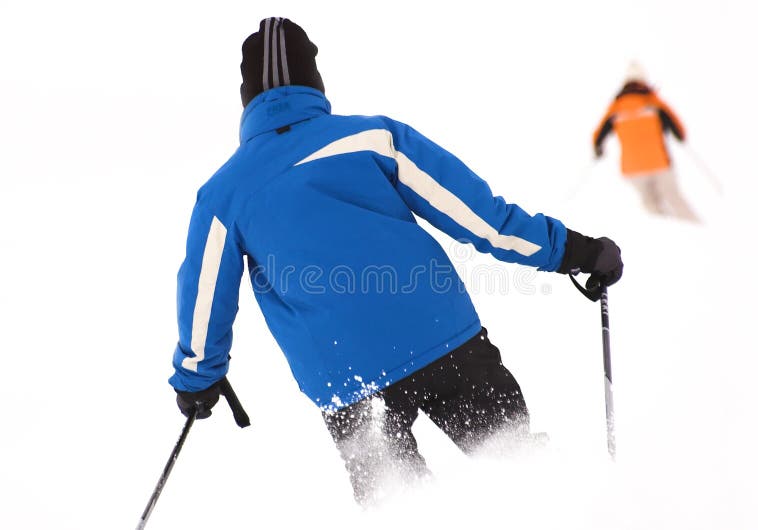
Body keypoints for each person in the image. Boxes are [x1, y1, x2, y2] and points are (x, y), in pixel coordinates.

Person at [169, 17, 624, 505]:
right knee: (529, 482)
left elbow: (205, 298)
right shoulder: (373, 138)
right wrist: (574, 252)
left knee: (403, 510)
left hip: (348, 381)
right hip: (443, 342)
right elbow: (481, 219)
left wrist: (199, 378)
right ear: (314, 80)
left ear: (246, 97)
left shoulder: (224, 194)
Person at [593, 62, 700, 222]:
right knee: (675, 200)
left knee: (651, 206)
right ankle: (695, 229)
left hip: (632, 167)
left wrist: (598, 150)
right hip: (659, 162)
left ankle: (666, 234)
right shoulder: (653, 102)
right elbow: (678, 129)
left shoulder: (615, 108)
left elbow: (598, 137)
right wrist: (678, 136)